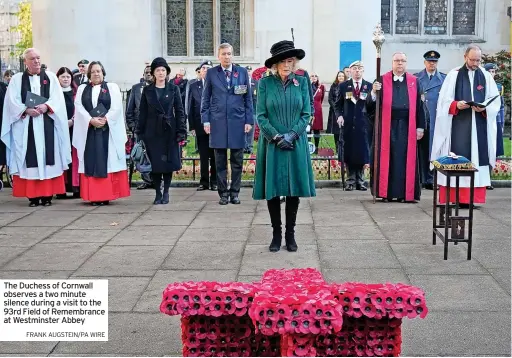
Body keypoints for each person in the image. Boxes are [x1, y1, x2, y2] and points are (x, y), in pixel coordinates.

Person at [253, 40, 316, 252]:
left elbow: (307, 113)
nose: (287, 65)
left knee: (292, 190)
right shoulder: (265, 84)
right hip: (272, 144)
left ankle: (290, 234)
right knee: (273, 189)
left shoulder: (302, 82)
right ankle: (276, 234)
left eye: (291, 61)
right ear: (275, 64)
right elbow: (260, 116)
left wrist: (292, 135)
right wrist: (277, 137)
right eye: (283, 61)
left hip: (295, 142)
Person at [1, 48, 71, 206]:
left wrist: (47, 107)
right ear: (25, 62)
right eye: (32, 59)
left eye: (38, 58)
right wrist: (25, 109)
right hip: (27, 126)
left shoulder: (51, 77)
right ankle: (32, 196)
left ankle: (47, 196)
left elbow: (58, 99)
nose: (37, 61)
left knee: (49, 158)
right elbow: (11, 102)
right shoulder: (18, 79)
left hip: (47, 123)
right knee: (29, 160)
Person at [432, 45, 500, 206]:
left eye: (478, 60)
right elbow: (443, 101)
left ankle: (471, 199)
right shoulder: (454, 75)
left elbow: (495, 99)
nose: (476, 63)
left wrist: (484, 108)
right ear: (465, 57)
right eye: (472, 60)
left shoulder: (485, 75)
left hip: (479, 126)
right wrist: (456, 105)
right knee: (456, 157)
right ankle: (454, 197)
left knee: (477, 158)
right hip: (458, 124)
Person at [366, 52, 425, 202]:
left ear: (406, 63)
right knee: (388, 159)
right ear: (392, 63)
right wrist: (373, 91)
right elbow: (370, 106)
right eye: (397, 61)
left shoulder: (414, 81)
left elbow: (420, 106)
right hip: (387, 126)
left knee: (405, 159)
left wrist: (420, 127)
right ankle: (386, 193)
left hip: (407, 126)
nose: (400, 63)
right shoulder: (382, 80)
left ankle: (406, 194)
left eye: (403, 61)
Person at [201, 43, 253, 205]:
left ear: (233, 55)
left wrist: (249, 120)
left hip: (238, 122)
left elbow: (248, 99)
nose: (227, 56)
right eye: (223, 54)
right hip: (218, 123)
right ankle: (223, 194)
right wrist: (206, 120)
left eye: (229, 53)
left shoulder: (242, 72)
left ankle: (235, 193)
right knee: (220, 161)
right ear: (219, 56)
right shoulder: (211, 73)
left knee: (237, 161)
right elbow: (206, 98)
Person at [73, 61, 130, 205]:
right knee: (90, 160)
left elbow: (116, 107)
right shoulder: (82, 88)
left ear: (103, 73)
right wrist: (90, 120)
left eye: (98, 71)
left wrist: (106, 119)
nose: (96, 74)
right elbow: (79, 107)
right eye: (93, 72)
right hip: (89, 130)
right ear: (88, 74)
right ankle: (93, 196)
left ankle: (106, 196)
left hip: (107, 130)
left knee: (108, 161)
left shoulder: (112, 87)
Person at [137, 57, 187, 204]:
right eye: (158, 70)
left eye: (163, 70)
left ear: (167, 73)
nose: (160, 73)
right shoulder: (147, 90)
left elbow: (179, 110)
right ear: (153, 73)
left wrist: (181, 131)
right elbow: (142, 112)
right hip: (152, 131)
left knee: (168, 163)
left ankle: (166, 192)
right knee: (156, 164)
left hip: (169, 130)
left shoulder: (173, 89)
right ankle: (158, 192)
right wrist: (139, 132)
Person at [334, 61, 371, 191]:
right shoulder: (344, 86)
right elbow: (337, 104)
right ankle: (350, 180)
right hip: (348, 124)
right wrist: (339, 116)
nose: (357, 71)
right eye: (355, 69)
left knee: (361, 153)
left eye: (360, 69)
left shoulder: (369, 86)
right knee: (349, 152)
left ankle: (360, 180)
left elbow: (372, 106)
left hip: (363, 125)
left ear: (363, 71)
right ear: (350, 71)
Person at [414, 50, 446, 190]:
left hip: (435, 119)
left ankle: (432, 178)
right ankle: (421, 178)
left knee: (434, 148)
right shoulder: (416, 78)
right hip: (421, 119)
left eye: (434, 61)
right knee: (421, 149)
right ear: (424, 62)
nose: (432, 64)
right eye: (429, 61)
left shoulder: (444, 79)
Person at [188, 60, 217, 191]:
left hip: (216, 126)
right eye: (203, 68)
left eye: (209, 68)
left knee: (216, 155)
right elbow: (191, 107)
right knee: (204, 155)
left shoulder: (218, 85)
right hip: (200, 126)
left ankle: (215, 181)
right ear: (200, 70)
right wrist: (192, 127)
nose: (206, 70)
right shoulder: (194, 86)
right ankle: (204, 182)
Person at [126, 65, 153, 190]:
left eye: (150, 72)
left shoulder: (159, 87)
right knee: (141, 154)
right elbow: (130, 109)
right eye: (146, 72)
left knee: (154, 154)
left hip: (154, 127)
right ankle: (146, 180)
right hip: (139, 128)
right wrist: (131, 125)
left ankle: (156, 179)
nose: (148, 74)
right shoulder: (136, 88)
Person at [56, 66, 80, 199]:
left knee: (75, 157)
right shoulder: (54, 93)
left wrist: (72, 121)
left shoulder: (76, 93)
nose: (65, 79)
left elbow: (80, 108)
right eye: (62, 77)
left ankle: (76, 186)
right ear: (58, 78)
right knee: (61, 156)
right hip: (59, 129)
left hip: (75, 129)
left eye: (68, 77)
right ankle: (61, 188)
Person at [484, 62, 504, 190]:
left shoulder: (498, 87)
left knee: (493, 149)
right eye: (490, 71)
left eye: (494, 71)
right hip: (484, 120)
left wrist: (501, 123)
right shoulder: (481, 85)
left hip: (495, 121)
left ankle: (489, 178)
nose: (492, 74)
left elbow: (501, 107)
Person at [326, 70, 345, 144]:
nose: (341, 77)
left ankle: (342, 145)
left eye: (342, 76)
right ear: (337, 77)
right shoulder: (333, 85)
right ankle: (337, 146)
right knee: (335, 129)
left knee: (343, 128)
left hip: (344, 110)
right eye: (339, 76)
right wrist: (336, 107)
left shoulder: (347, 85)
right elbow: (330, 98)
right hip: (334, 111)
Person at [310, 72, 325, 154]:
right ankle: (308, 146)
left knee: (317, 129)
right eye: (312, 76)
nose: (314, 77)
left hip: (318, 109)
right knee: (308, 129)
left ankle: (316, 147)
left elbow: (321, 98)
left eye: (316, 76)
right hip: (309, 109)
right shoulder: (307, 86)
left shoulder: (321, 86)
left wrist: (318, 105)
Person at [244, 65, 256, 154]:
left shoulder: (256, 83)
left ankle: (250, 147)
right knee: (243, 129)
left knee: (251, 129)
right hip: (243, 110)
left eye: (249, 70)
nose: (248, 72)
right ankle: (244, 146)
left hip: (253, 110)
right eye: (247, 70)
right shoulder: (241, 82)